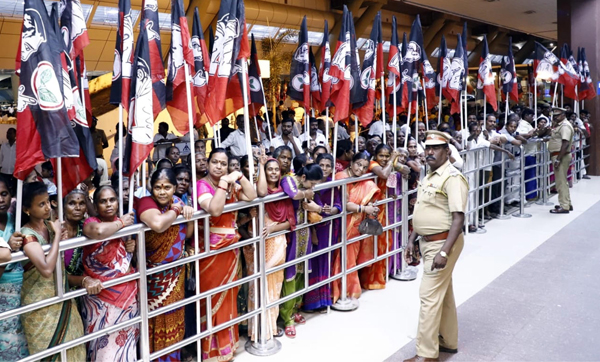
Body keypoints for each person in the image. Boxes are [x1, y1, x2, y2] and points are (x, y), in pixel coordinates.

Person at [403, 131, 468, 362]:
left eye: (436, 148)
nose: (429, 152)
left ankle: (426, 354)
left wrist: (443, 252)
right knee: (444, 293)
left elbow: (458, 218)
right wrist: (411, 240)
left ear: (447, 152)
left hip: (442, 243)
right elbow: (423, 210)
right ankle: (448, 341)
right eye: (427, 148)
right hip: (427, 240)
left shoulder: (452, 178)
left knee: (428, 296)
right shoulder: (429, 175)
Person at [197, 148, 256, 361]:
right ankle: (211, 351)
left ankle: (227, 346)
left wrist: (239, 176)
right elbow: (214, 210)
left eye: (223, 163)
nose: (219, 167)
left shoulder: (232, 182)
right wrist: (224, 183)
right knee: (212, 299)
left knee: (229, 296)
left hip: (231, 249)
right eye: (215, 162)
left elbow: (252, 195)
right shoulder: (202, 185)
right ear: (208, 163)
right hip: (211, 253)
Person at [20, 182, 86, 360]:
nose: (48, 207)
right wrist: (57, 237)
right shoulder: (27, 234)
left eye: (48, 202)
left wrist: (58, 237)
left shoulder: (50, 226)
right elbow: (46, 269)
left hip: (62, 298)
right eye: (41, 204)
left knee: (74, 347)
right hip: (40, 306)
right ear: (27, 209)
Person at [138, 168, 194, 361]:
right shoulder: (146, 203)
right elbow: (160, 225)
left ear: (174, 188)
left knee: (176, 318)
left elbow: (186, 235)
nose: (162, 192)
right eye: (157, 187)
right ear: (150, 188)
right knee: (155, 321)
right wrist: (178, 210)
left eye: (167, 187)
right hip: (154, 277)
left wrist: (189, 213)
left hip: (176, 274)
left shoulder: (177, 202)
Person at [82, 186, 139, 361]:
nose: (108, 204)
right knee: (102, 352)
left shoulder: (126, 226)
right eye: (103, 201)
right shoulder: (91, 222)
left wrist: (132, 248)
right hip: (100, 299)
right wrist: (121, 223)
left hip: (127, 298)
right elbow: (99, 232)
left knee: (126, 350)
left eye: (112, 200)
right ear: (95, 204)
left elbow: (129, 261)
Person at [252, 154, 295, 340]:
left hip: (277, 242)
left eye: (276, 169)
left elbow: (291, 221)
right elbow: (261, 192)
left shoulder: (282, 193)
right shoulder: (261, 193)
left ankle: (270, 326)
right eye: (270, 169)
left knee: (274, 284)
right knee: (259, 282)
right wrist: (261, 165)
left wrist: (273, 227)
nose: (273, 172)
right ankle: (258, 329)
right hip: (262, 243)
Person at [279, 162, 323, 338]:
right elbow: (293, 193)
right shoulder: (288, 179)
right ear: (303, 177)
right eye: (312, 183)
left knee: (301, 272)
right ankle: (286, 316)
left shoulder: (306, 186)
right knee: (290, 274)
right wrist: (306, 193)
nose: (313, 188)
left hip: (304, 230)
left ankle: (295, 307)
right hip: (291, 233)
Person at [332, 152, 380, 303]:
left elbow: (369, 193)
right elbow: (345, 204)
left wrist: (371, 206)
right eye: (358, 164)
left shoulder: (363, 180)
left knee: (351, 257)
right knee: (342, 257)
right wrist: (364, 209)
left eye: (365, 167)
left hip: (355, 225)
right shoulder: (341, 177)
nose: (361, 169)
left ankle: (350, 290)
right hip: (341, 224)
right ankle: (341, 291)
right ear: (351, 163)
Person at [303, 153, 339, 312]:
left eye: (328, 166)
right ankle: (311, 303)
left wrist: (335, 209)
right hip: (314, 231)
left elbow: (339, 202)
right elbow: (305, 212)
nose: (324, 169)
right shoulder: (310, 185)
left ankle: (324, 300)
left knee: (326, 262)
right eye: (322, 165)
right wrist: (313, 232)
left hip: (329, 228)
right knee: (314, 264)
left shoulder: (333, 183)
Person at [363, 144, 399, 289]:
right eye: (381, 156)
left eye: (387, 156)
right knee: (372, 243)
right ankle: (370, 280)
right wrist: (392, 159)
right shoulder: (373, 164)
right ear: (375, 156)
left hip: (383, 208)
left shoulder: (390, 164)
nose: (384, 159)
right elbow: (383, 175)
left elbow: (389, 181)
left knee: (385, 241)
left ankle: (383, 274)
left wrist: (392, 193)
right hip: (373, 207)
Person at [0, 175, 28, 360]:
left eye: (4, 194)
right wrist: (8, 246)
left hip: (22, 293)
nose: (1, 200)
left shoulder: (18, 221)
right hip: (2, 295)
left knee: (22, 344)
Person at [549, 107, 574, 213]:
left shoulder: (564, 126)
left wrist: (558, 159)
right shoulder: (560, 125)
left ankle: (564, 206)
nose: (555, 117)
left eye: (557, 115)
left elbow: (565, 143)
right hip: (560, 155)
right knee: (563, 181)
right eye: (554, 116)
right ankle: (567, 203)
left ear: (563, 115)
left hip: (560, 156)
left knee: (560, 182)